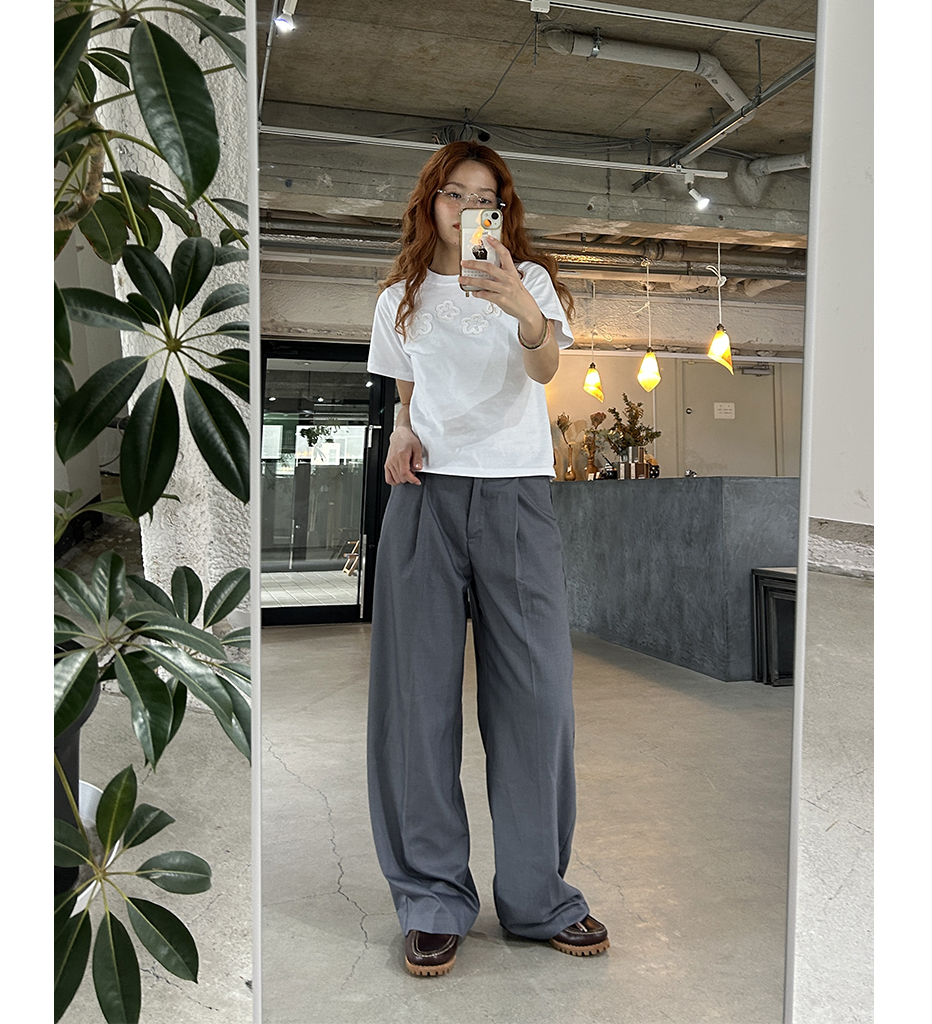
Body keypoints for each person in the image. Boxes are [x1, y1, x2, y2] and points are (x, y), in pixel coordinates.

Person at [365, 140, 608, 977]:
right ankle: (431, 897)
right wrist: (401, 429)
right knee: (416, 702)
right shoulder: (398, 298)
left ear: (502, 210)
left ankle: (538, 897)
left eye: (487, 197)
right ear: (429, 203)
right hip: (426, 498)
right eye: (456, 194)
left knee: (538, 699)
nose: (471, 209)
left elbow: (543, 367)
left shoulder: (529, 279)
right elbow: (406, 388)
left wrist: (520, 305)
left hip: (515, 498)